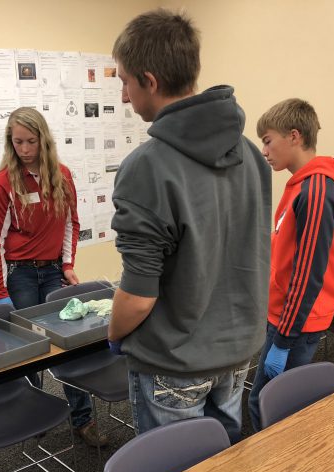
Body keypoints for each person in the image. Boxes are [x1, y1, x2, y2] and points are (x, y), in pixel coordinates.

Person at [107, 9, 272, 443]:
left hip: (174, 361)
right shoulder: (252, 153)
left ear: (150, 81)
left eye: (125, 81)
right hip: (237, 349)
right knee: (223, 470)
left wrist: (113, 333)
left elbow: (139, 297)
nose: (124, 95)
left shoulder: (147, 167)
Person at [0, 107, 107, 447]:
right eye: (17, 141)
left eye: (30, 141)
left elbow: (71, 224)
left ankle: (82, 420)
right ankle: (35, 416)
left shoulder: (62, 175)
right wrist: (0, 291)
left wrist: (68, 264)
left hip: (53, 272)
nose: (24, 149)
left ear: (43, 140)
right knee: (30, 351)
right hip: (21, 275)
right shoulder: (4, 183)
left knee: (69, 346)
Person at [247, 99, 334, 431]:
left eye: (267, 140)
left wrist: (283, 339)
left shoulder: (317, 189)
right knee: (276, 405)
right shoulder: (302, 185)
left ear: (294, 136)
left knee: (267, 407)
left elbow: (307, 273)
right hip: (285, 315)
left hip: (296, 323)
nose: (264, 150)